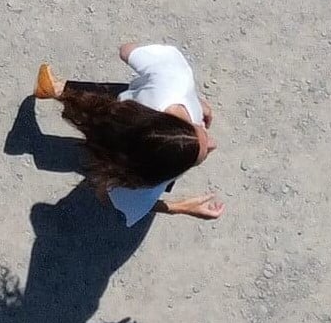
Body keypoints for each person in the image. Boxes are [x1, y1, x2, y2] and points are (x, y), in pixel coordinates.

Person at [33, 43, 222, 224]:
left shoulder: (174, 80)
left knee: (107, 109)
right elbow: (130, 203)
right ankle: (57, 91)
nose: (214, 144)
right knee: (102, 128)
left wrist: (192, 100)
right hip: (119, 145)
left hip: (124, 112)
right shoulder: (143, 183)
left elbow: (126, 51)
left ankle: (57, 90)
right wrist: (181, 207)